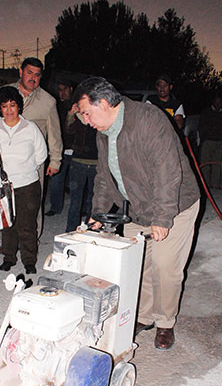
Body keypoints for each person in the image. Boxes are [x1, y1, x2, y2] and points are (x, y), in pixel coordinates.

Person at [73, 77, 200, 350]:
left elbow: (168, 171)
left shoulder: (148, 120)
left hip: (174, 204)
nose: (85, 120)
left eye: (86, 112)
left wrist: (162, 218)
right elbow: (105, 177)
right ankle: (143, 316)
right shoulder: (103, 132)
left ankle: (165, 322)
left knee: (165, 267)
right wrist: (98, 211)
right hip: (138, 209)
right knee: (137, 265)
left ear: (104, 103)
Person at [0, 86, 47, 274]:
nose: (9, 110)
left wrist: (26, 169)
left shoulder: (30, 128)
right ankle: (9, 257)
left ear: (19, 106)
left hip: (28, 185)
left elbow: (41, 155)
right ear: (0, 108)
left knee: (27, 226)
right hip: (4, 185)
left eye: (13, 105)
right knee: (7, 225)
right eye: (4, 106)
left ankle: (29, 260)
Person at [65, 103, 98, 232]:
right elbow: (68, 130)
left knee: (93, 200)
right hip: (78, 161)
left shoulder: (100, 116)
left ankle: (90, 230)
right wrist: (71, 113)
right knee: (75, 201)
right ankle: (70, 231)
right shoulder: (79, 117)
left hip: (97, 163)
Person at [45, 80, 74, 217]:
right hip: (60, 149)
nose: (61, 93)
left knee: (76, 183)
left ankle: (82, 208)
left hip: (76, 150)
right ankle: (55, 207)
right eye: (60, 90)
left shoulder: (77, 105)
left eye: (64, 89)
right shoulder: (55, 106)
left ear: (70, 89)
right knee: (56, 180)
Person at [198, 93, 222, 188]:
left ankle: (215, 184)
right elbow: (201, 126)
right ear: (213, 102)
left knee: (217, 164)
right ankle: (205, 184)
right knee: (205, 164)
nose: (218, 104)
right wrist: (203, 138)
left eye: (220, 102)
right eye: (217, 102)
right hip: (208, 141)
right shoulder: (206, 112)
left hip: (219, 142)